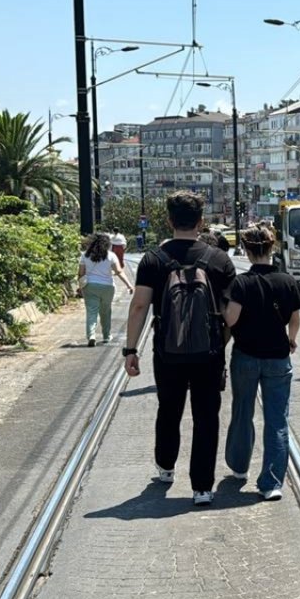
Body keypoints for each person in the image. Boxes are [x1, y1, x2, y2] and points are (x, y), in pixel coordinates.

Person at [124, 191, 236, 506]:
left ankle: (166, 467)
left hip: (167, 352)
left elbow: (139, 307)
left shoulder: (153, 260)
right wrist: (221, 342)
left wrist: (130, 350)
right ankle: (202, 487)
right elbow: (230, 315)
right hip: (209, 353)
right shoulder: (220, 260)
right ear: (201, 221)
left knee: (168, 409)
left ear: (170, 220)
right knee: (206, 416)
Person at [223, 224, 300, 502]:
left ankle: (239, 466)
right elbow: (294, 319)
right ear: (273, 248)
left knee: (243, 411)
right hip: (278, 358)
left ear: (245, 250)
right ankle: (271, 483)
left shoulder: (241, 283)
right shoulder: (287, 281)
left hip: (245, 356)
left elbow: (231, 320)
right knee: (277, 420)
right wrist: (291, 339)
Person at [79, 233, 134, 347]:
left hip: (90, 286)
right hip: (107, 287)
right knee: (106, 312)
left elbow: (81, 273)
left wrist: (80, 287)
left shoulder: (85, 256)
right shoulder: (111, 256)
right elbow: (119, 271)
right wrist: (129, 285)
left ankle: (91, 336)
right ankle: (106, 336)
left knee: (91, 311)